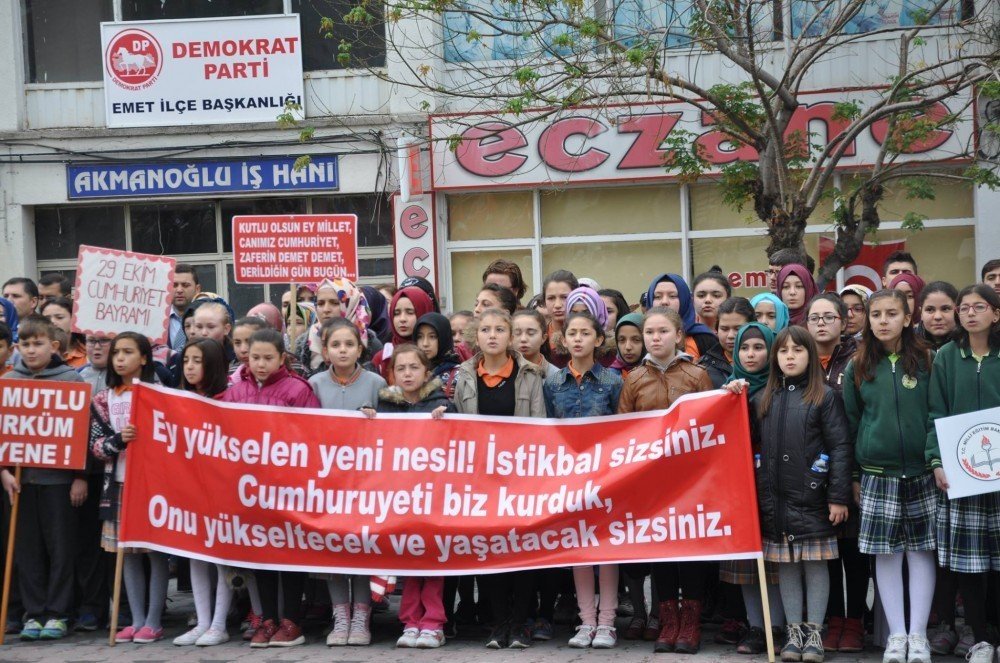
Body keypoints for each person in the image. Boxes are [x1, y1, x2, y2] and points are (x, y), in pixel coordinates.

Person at [843, 288, 936, 663]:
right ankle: (897, 636)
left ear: (907, 318)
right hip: (876, 474)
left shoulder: (928, 360)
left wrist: (934, 460)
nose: (883, 321)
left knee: (921, 551)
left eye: (892, 314)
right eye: (876, 314)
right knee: (886, 553)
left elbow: (936, 414)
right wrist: (853, 475)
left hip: (922, 472)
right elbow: (851, 424)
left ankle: (919, 635)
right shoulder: (857, 365)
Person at [752, 326, 851, 663]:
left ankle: (815, 633)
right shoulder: (762, 399)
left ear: (810, 354)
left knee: (815, 566)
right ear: (775, 358)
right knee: (787, 567)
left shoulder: (825, 397)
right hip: (776, 500)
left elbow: (840, 447)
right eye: (783, 351)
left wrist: (838, 496)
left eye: (797, 350)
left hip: (814, 498)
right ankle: (793, 633)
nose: (790, 356)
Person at [618, 307, 714, 654]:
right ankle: (668, 621)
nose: (655, 338)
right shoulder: (633, 380)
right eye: (650, 332)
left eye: (662, 331)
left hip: (690, 482)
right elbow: (622, 431)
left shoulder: (697, 375)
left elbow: (710, 425)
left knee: (689, 551)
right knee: (661, 550)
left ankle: (690, 623)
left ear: (678, 336)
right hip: (651, 482)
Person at [453, 308, 546, 649]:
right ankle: (499, 621)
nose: (492, 335)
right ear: (476, 337)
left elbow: (539, 427)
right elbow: (458, 427)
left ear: (510, 337)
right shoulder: (464, 377)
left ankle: (520, 623)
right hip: (481, 480)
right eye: (485, 330)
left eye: (499, 330)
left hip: (520, 478)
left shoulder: (530, 375)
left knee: (521, 550)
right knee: (489, 550)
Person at [223, 329, 319, 648]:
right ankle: (267, 619)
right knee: (261, 554)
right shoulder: (236, 392)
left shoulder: (298, 389)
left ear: (282, 359)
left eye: (268, 358)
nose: (261, 364)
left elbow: (313, 435)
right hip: (251, 488)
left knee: (289, 553)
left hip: (288, 487)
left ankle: (291, 621)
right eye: (255, 358)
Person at [926, 284, 1000, 663]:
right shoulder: (946, 357)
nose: (970, 313)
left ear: (996, 314)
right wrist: (936, 460)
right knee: (970, 563)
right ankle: (980, 639)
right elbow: (935, 412)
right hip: (962, 474)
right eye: (965, 308)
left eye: (979, 307)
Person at [0, 315, 85, 641]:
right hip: (21, 483)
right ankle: (34, 613)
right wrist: (4, 471)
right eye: (25, 344)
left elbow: (81, 433)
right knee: (27, 550)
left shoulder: (71, 380)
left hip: (58, 482)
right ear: (17, 347)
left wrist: (80, 477)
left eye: (38, 344)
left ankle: (58, 613)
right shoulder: (9, 381)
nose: (31, 350)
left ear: (54, 346)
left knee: (61, 549)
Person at [365, 345, 455, 649]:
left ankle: (433, 623)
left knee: (431, 561)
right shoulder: (385, 405)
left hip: (432, 496)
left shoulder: (441, 403)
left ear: (426, 373)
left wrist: (447, 419)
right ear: (392, 374)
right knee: (408, 560)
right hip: (399, 497)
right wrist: (367, 418)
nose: (407, 374)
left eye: (414, 368)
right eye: (401, 368)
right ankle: (410, 621)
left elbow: (460, 441)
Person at [544, 312, 623, 649]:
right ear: (563, 340)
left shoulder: (613, 382)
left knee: (606, 548)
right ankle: (586, 620)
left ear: (598, 339)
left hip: (606, 477)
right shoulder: (552, 383)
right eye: (572, 333)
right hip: (569, 478)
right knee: (579, 547)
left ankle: (607, 622)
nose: (577, 339)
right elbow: (547, 429)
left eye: (585, 333)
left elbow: (624, 428)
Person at [308, 317, 386, 646]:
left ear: (360, 348)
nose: (343, 350)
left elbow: (395, 428)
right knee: (334, 547)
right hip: (328, 482)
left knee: (361, 546)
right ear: (325, 350)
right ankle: (340, 614)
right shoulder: (314, 384)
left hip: (365, 481)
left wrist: (375, 419)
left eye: (349, 344)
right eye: (336, 345)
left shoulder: (376, 383)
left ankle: (362, 615)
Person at [89, 332, 169, 644]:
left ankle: (154, 620)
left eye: (127, 352)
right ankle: (135, 619)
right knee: (128, 553)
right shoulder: (103, 399)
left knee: (154, 553)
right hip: (118, 484)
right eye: (116, 353)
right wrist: (118, 441)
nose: (120, 358)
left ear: (144, 358)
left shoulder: (159, 395)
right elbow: (96, 446)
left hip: (151, 486)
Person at [804, 294, 864, 654]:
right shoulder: (799, 359)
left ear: (844, 321)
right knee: (826, 554)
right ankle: (833, 620)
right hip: (812, 473)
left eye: (829, 317)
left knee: (853, 552)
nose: (821, 324)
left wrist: (853, 475)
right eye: (815, 318)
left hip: (851, 466)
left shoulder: (859, 358)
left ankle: (855, 621)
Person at [722, 322, 785, 655]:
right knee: (747, 560)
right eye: (744, 348)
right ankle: (756, 626)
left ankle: (778, 626)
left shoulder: (782, 388)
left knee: (775, 561)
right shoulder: (728, 390)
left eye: (759, 347)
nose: (750, 354)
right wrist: (732, 399)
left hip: (774, 485)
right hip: (739, 484)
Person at [172, 338, 232, 647]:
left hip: (221, 488)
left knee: (221, 557)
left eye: (198, 361)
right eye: (186, 361)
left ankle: (219, 624)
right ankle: (203, 621)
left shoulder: (228, 398)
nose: (190, 367)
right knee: (196, 554)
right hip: (191, 488)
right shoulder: (179, 400)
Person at [300, 279, 378, 374]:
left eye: (334, 303)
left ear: (351, 304)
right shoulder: (303, 343)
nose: (326, 309)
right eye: (320, 303)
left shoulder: (370, 343)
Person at [645, 273, 723, 360]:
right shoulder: (640, 339)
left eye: (672, 296)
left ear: (684, 299)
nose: (664, 302)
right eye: (658, 297)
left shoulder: (704, 338)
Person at [372, 286, 435, 380]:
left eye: (410, 312)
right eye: (396, 313)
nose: (402, 319)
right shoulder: (383, 358)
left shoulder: (434, 353)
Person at [702, 296, 753, 387]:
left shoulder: (769, 364)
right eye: (724, 329)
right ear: (716, 330)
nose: (730, 336)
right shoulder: (703, 368)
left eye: (738, 329)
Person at [415, 312, 462, 397]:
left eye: (432, 336)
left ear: (443, 338)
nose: (425, 343)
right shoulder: (409, 371)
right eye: (420, 337)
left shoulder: (458, 375)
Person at [542, 270, 579, 368]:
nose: (557, 305)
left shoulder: (589, 336)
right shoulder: (538, 337)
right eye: (551, 298)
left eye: (564, 297)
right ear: (544, 301)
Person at [39, 297, 87, 368]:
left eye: (59, 317)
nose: (52, 322)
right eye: (46, 319)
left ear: (73, 320)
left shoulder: (89, 354)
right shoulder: (33, 354)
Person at [917, 281, 958, 349]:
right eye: (930, 310)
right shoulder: (908, 345)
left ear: (957, 311)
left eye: (945, 309)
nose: (938, 317)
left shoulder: (970, 344)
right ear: (921, 313)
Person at [170, 265, 201, 352]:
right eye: (174, 285)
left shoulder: (207, 319)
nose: (179, 290)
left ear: (197, 289)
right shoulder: (157, 319)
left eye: (185, 285)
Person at [610, 312, 645, 378]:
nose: (628, 347)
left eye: (636, 340)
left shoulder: (658, 374)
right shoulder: (608, 377)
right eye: (622, 340)